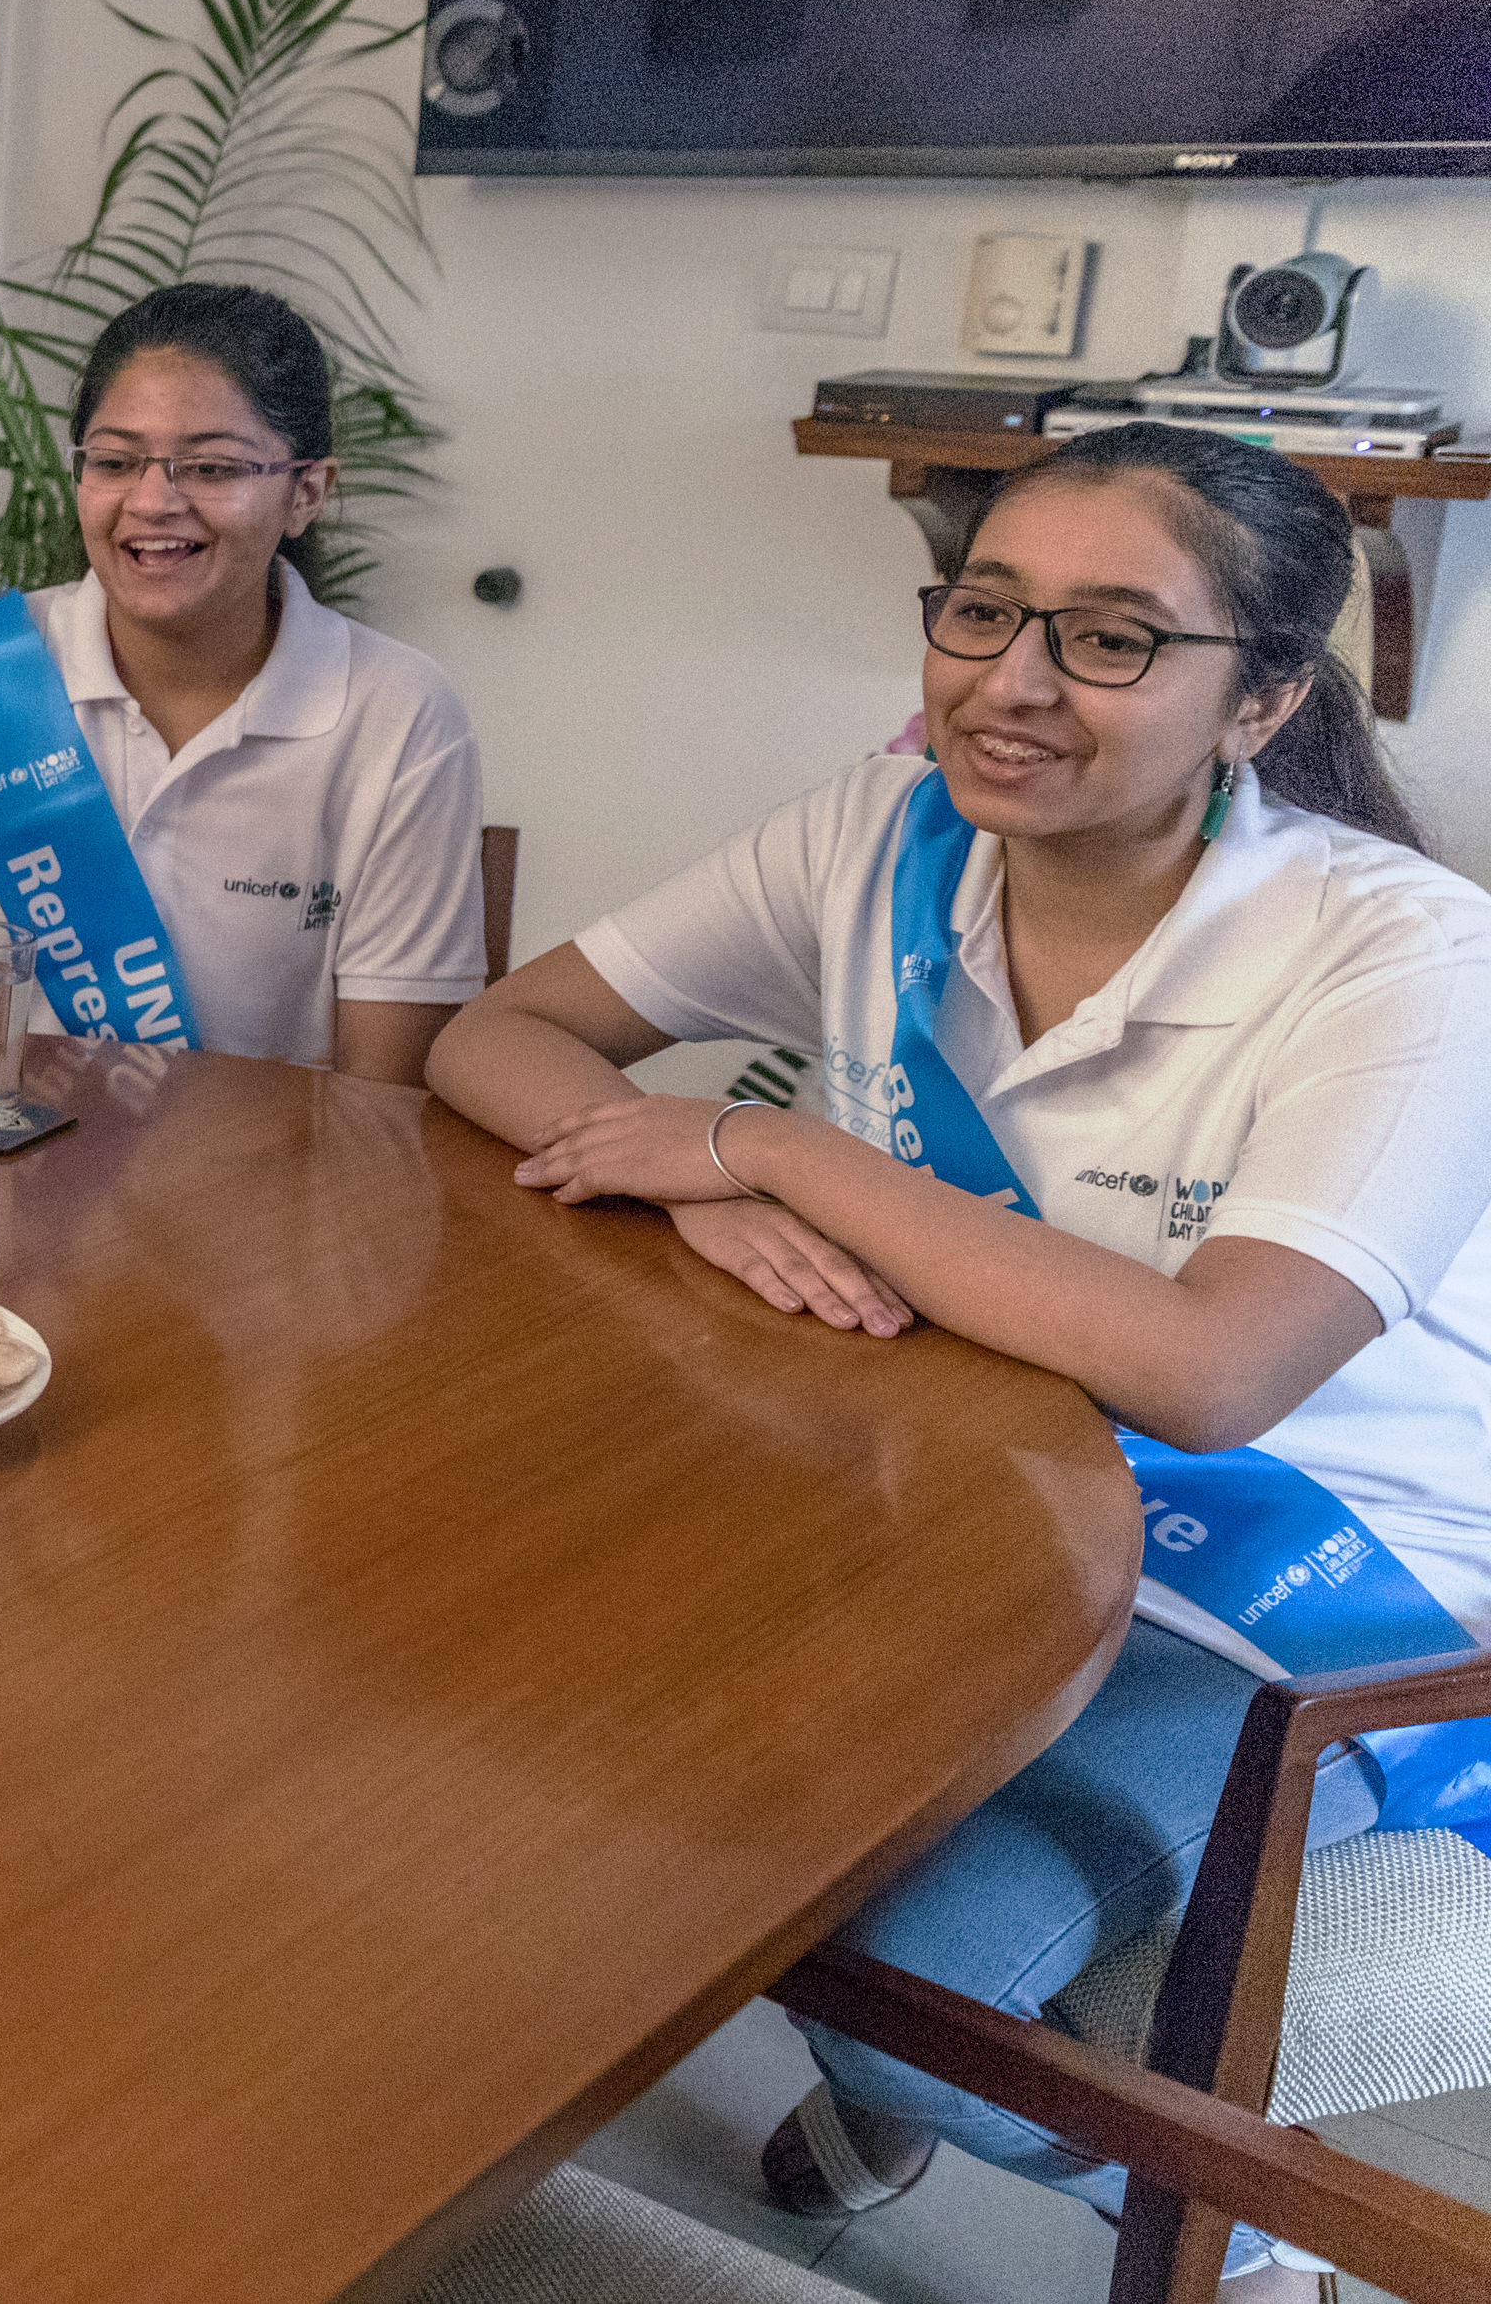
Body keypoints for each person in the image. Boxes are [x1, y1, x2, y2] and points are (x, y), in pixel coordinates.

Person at [425, 424, 1491, 2300]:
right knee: (519, 1704)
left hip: (1307, 1580)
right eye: (984, 609)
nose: (1007, 682)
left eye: (1106, 638)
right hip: (957, 1490)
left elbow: (1214, 1372)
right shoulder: (874, 834)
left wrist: (776, 1150)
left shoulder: (1403, 956)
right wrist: (697, 1201)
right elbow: (504, 1035)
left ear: (1260, 701)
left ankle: (1241, 2240)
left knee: (906, 1986)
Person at [0, 283, 487, 1084]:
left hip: (281, 1196)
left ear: (307, 492)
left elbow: (383, 1103)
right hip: (6, 1186)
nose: (152, 502)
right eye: (114, 461)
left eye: (212, 467)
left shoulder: (401, 717)